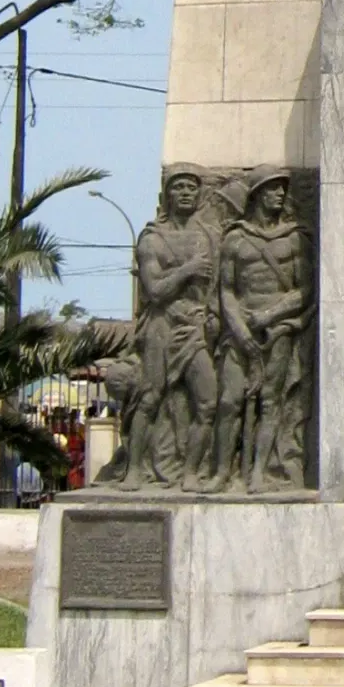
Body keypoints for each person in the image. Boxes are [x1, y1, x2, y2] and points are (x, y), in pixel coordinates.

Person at [214, 169, 314, 490]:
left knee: (271, 402)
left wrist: (269, 316)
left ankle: (259, 470)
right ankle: (221, 471)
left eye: (283, 190)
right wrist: (240, 328)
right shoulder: (235, 239)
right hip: (239, 330)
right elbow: (226, 290)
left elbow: (304, 291)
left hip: (276, 332)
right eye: (272, 190)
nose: (280, 195)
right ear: (256, 195)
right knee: (229, 400)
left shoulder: (294, 238)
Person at [127, 164, 221, 489]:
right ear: (167, 195)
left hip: (195, 328)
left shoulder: (209, 236)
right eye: (178, 187)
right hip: (161, 326)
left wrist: (214, 316)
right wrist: (188, 269)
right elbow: (154, 291)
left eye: (191, 187)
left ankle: (191, 472)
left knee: (208, 402)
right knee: (150, 397)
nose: (185, 193)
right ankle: (133, 471)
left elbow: (218, 285)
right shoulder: (153, 239)